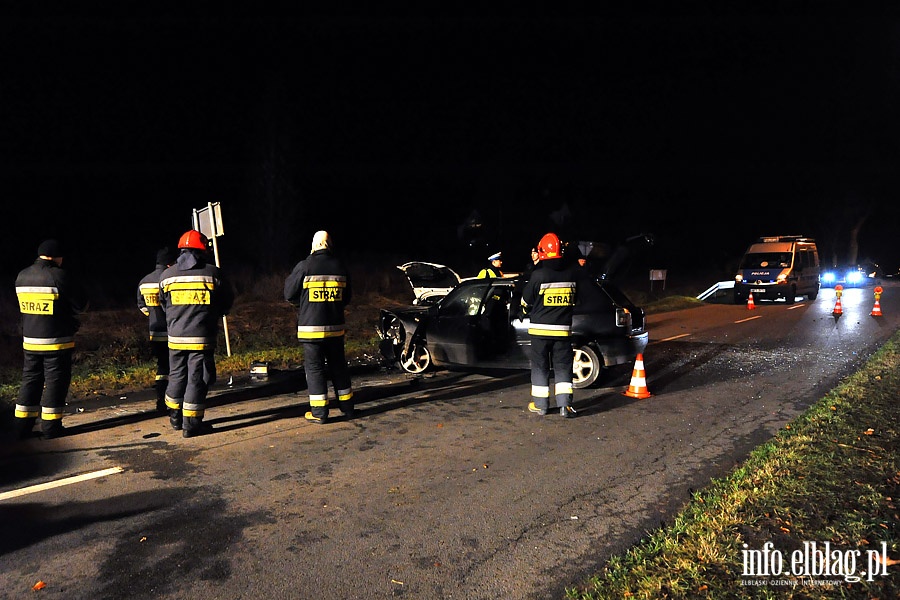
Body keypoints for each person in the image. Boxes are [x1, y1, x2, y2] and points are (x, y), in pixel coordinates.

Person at [159, 230, 234, 438]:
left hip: (175, 338)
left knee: (176, 375)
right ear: (202, 251)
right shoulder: (213, 274)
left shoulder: (166, 276)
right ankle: (190, 424)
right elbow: (226, 303)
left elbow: (164, 305)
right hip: (201, 337)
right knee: (196, 378)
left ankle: (175, 417)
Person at [13, 239, 89, 440]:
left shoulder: (22, 276)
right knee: (56, 381)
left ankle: (22, 426)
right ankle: (50, 426)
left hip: (30, 340)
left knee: (30, 380)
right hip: (56, 341)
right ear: (57, 256)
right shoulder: (59, 276)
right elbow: (81, 304)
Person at [284, 230, 355, 424]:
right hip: (335, 329)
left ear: (314, 245)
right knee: (339, 367)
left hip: (311, 329)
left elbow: (289, 294)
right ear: (329, 245)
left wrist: (304, 303)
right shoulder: (340, 267)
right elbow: (346, 298)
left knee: (315, 369)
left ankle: (319, 412)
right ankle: (348, 408)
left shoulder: (305, 266)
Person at [520, 232, 578, 418]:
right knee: (562, 368)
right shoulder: (571, 275)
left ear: (542, 252)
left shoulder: (538, 275)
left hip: (539, 333)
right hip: (562, 332)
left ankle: (541, 406)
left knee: (540, 367)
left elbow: (525, 301)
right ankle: (565, 406)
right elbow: (576, 300)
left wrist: (523, 311)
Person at [137, 246, 175, 414]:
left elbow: (141, 306)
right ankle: (173, 399)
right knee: (176, 367)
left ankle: (160, 397)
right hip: (172, 331)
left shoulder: (144, 281)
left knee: (162, 366)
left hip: (154, 331)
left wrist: (153, 315)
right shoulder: (169, 278)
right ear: (169, 264)